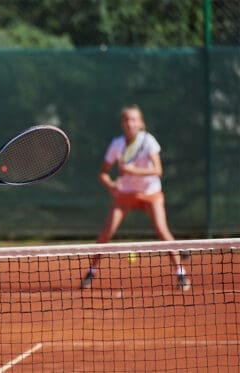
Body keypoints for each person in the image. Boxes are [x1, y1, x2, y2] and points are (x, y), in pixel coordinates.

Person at [81, 105, 190, 291]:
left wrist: (133, 171)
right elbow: (103, 174)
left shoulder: (149, 141)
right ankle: (91, 271)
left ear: (140, 123)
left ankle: (180, 272)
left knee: (163, 232)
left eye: (133, 119)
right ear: (122, 123)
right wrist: (111, 185)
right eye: (126, 119)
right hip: (126, 194)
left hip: (150, 193)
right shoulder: (117, 144)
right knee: (106, 233)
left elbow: (158, 170)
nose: (129, 123)